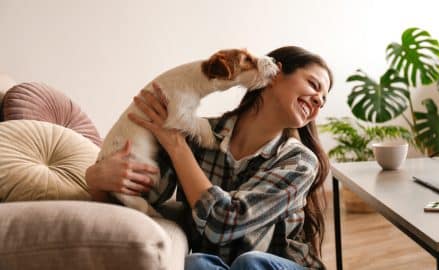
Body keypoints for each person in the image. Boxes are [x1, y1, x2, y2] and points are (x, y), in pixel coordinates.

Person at [86, 45, 333, 269]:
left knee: (250, 263)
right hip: (219, 265)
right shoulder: (197, 136)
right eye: (314, 85)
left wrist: (175, 144)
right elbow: (147, 199)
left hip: (276, 264)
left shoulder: (300, 162)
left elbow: (225, 222)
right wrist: (97, 178)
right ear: (273, 73)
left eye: (323, 100)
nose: (319, 101)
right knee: (195, 264)